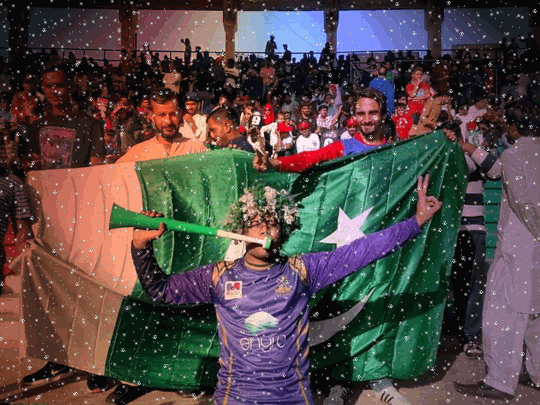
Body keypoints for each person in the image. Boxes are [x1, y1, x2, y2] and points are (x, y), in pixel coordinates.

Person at [129, 175, 442, 405]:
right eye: (255, 222)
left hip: (293, 395)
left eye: (272, 222)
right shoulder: (218, 276)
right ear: (241, 229)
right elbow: (161, 289)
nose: (265, 228)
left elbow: (363, 250)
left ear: (284, 230)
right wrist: (141, 247)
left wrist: (414, 222)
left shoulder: (302, 270)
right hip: (235, 397)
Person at [454, 97, 540, 400]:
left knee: (502, 313)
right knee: (535, 314)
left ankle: (500, 381)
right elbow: (495, 171)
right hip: (534, 248)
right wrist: (470, 148)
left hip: (520, 245)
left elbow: (524, 202)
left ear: (514, 127)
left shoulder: (515, 153)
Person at [443, 120, 502, 358]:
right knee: (451, 285)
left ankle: (471, 335)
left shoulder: (473, 157)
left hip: (474, 229)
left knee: (474, 285)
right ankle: (447, 334)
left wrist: (467, 148)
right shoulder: (439, 160)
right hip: (446, 232)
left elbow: (496, 171)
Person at [254, 88, 388, 173]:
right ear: (355, 116)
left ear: (383, 115)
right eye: (361, 114)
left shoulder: (394, 150)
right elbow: (309, 158)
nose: (367, 119)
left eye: (373, 113)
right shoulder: (344, 147)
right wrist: (274, 162)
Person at [24, 64, 105, 170]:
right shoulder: (37, 126)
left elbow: (97, 169)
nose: (53, 91)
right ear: (43, 88)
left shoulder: (91, 125)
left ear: (70, 87)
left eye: (59, 85)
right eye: (48, 86)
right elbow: (33, 168)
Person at [117, 88, 206, 164]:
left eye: (173, 114)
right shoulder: (138, 153)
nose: (168, 121)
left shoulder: (196, 149)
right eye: (162, 115)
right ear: (151, 116)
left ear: (180, 114)